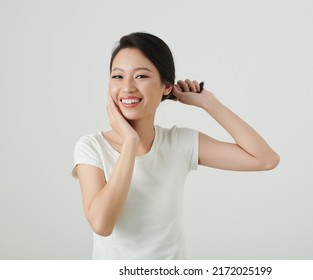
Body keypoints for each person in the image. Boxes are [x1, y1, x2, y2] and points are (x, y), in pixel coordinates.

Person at [72, 32, 280, 260]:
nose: (127, 87)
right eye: (118, 76)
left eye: (141, 76)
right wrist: (130, 143)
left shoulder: (178, 143)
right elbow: (102, 224)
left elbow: (265, 159)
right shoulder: (91, 147)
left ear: (166, 86)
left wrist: (210, 104)